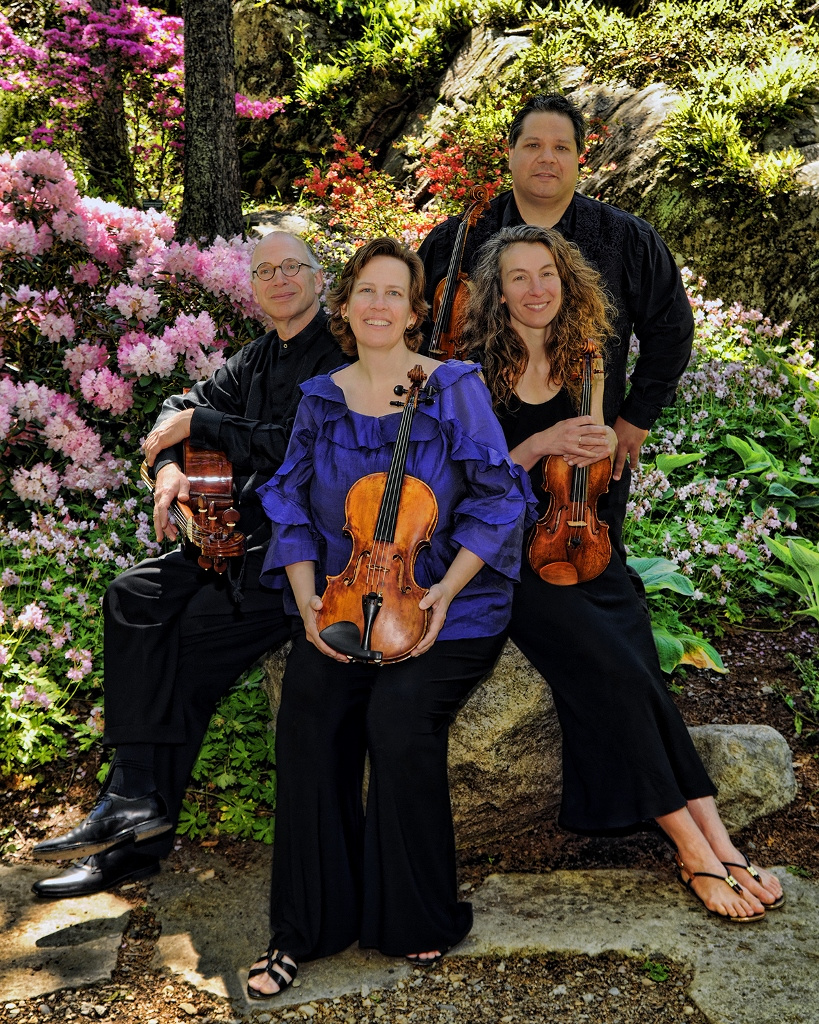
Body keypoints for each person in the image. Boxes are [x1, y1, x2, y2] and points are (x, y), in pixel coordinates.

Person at [460, 223, 785, 923]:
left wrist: (600, 442)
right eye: (518, 277)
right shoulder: (474, 373)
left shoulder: (588, 358)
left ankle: (718, 842)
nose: (536, 289)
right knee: (614, 670)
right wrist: (542, 442)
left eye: (546, 273)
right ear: (498, 292)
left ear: (565, 279)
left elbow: (596, 470)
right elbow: (467, 483)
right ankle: (693, 849)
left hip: (585, 540)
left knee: (638, 674)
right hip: (510, 557)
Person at [246, 237, 534, 998]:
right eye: (365, 291)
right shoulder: (320, 398)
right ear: (344, 306)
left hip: (449, 604)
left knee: (399, 718)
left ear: (414, 312)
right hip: (346, 598)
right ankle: (303, 928)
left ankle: (417, 915)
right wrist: (307, 600)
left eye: (394, 293)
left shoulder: (452, 386)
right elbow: (289, 504)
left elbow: (499, 498)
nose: (378, 305)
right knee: (309, 715)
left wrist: (444, 593)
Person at [31, 231, 346, 898]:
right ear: (252, 288)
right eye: (265, 271)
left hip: (299, 559)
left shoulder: (341, 355)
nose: (279, 279)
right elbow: (177, 407)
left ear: (320, 281)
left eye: (293, 267)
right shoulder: (257, 356)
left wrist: (202, 423)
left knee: (180, 655)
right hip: (232, 539)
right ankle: (134, 802)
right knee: (132, 595)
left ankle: (133, 835)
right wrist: (171, 466)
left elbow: (298, 444)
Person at [418, 92, 695, 570]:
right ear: (510, 153)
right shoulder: (457, 238)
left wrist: (636, 417)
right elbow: (417, 330)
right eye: (532, 145)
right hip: (482, 450)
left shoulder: (627, 238)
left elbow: (671, 328)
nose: (546, 158)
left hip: (586, 464)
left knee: (588, 573)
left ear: (579, 158)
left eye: (561, 147)